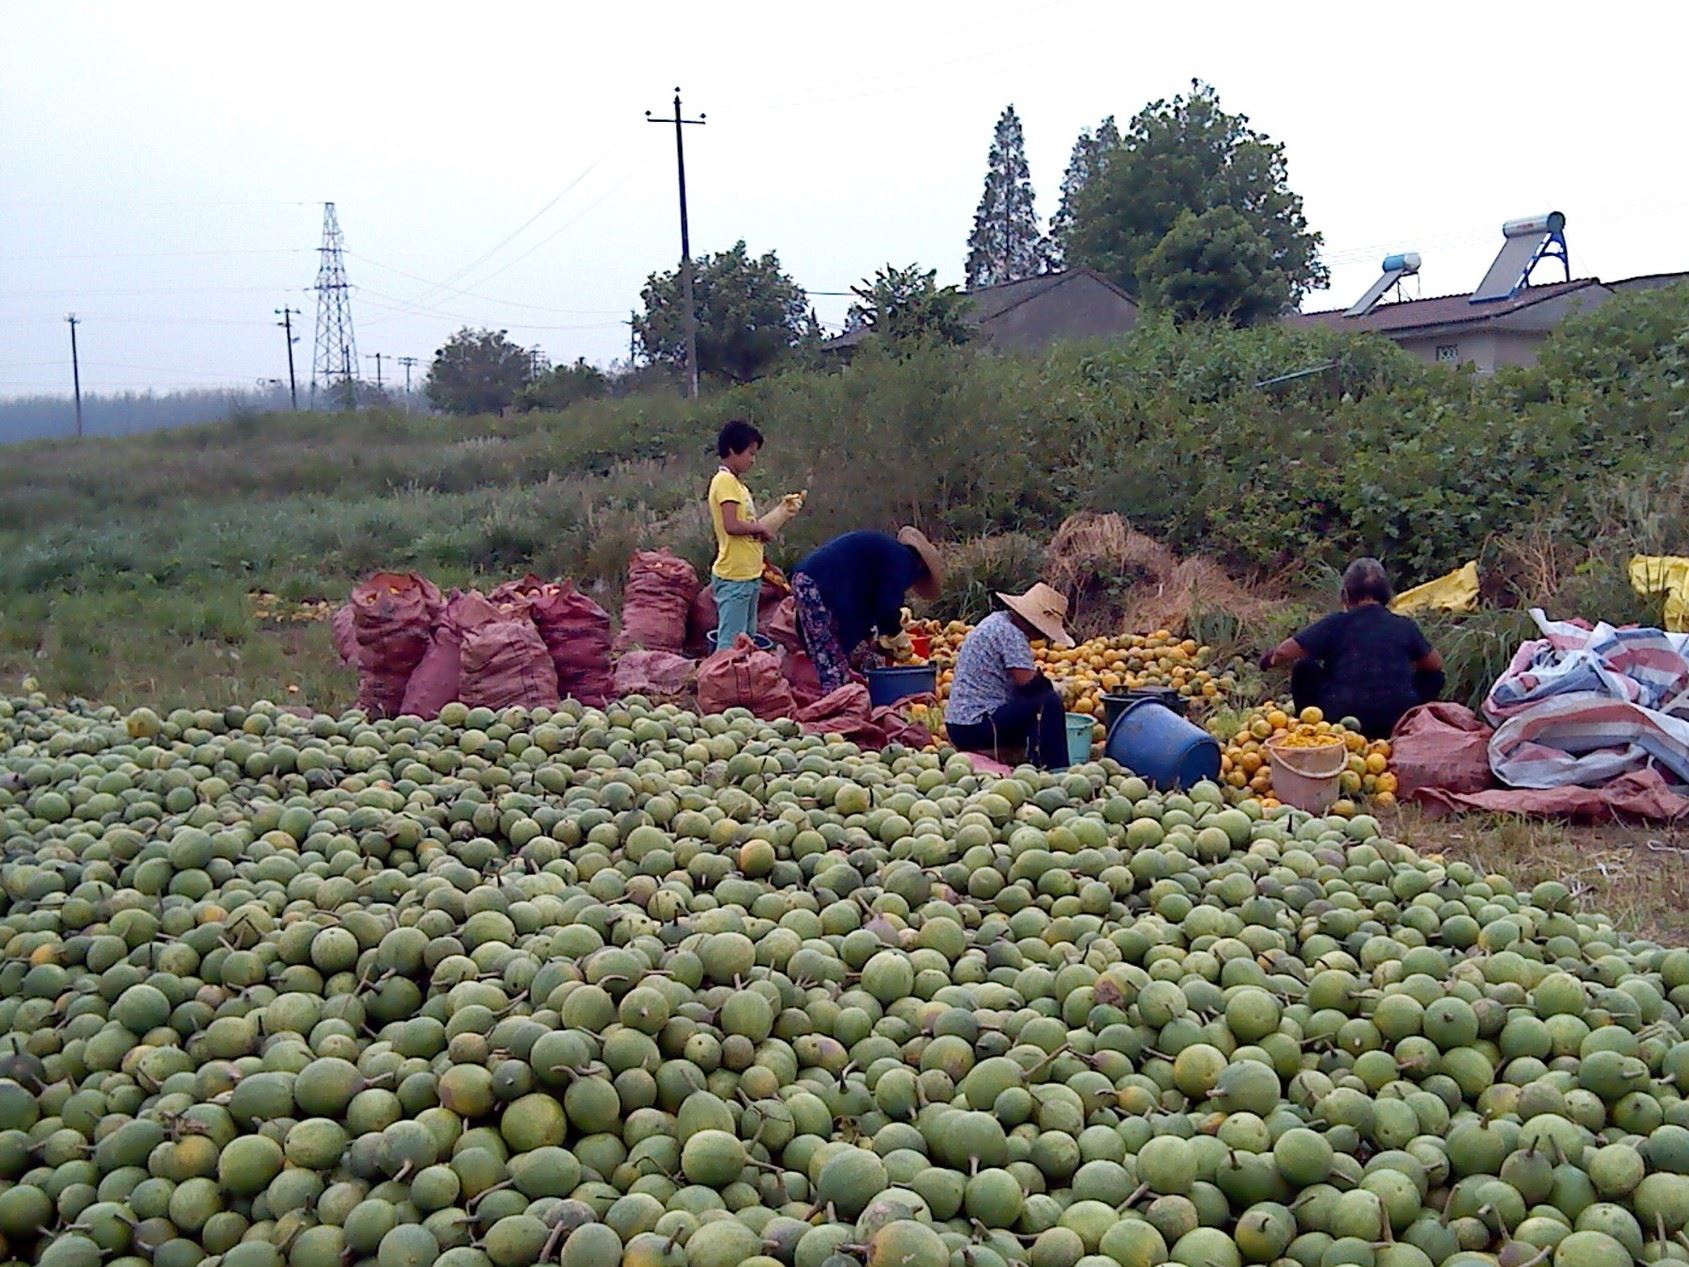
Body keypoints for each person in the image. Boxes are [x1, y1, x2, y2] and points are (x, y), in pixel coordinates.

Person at [1259, 558, 1445, 739]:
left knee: (1305, 668)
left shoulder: (1336, 623)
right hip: (1395, 720)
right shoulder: (1405, 625)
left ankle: (1312, 729)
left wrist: (1270, 660)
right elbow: (1435, 665)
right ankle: (1411, 725)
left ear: (1346, 595)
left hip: (1340, 720)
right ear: (1386, 595)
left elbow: (1284, 652)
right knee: (1434, 677)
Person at [790, 528, 944, 693]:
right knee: (830, 663)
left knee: (839, 655)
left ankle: (848, 698)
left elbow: (869, 601)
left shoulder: (888, 556)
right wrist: (896, 634)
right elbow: (887, 603)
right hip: (817, 584)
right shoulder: (903, 561)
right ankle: (839, 708)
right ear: (920, 565)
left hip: (814, 582)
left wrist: (876, 637)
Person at [945, 584, 1076, 770]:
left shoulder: (997, 621)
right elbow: (1029, 685)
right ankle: (1057, 769)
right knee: (1049, 700)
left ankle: (1033, 760)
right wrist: (1051, 685)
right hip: (975, 726)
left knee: (1033, 705)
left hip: (960, 723)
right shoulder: (1012, 634)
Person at [707, 420, 770, 651]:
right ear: (732, 450)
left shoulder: (738, 485)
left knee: (747, 641)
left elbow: (746, 524)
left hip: (749, 572)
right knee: (731, 643)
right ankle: (723, 683)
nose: (752, 460)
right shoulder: (724, 481)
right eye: (749, 453)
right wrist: (759, 528)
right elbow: (731, 525)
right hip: (734, 574)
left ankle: (741, 682)